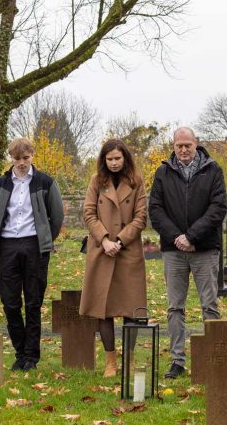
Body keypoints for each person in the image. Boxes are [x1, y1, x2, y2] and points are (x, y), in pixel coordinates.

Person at [149, 126, 227, 379]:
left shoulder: (213, 170)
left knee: (209, 305)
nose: (183, 150)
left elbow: (218, 208)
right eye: (178, 145)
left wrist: (192, 236)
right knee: (174, 307)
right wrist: (177, 238)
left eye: (187, 145)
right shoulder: (163, 172)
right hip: (174, 250)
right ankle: (177, 360)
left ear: (196, 144)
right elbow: (156, 209)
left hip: (204, 248)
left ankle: (214, 357)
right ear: (173, 146)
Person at [0, 138, 64, 372]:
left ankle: (31, 356)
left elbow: (57, 215)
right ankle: (20, 351)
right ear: (10, 158)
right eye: (17, 158)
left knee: (33, 302)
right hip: (7, 246)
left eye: (25, 158)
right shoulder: (1, 184)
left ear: (32, 156)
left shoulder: (45, 182)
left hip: (35, 247)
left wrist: (45, 239)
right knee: (10, 303)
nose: (21, 163)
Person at [80, 139, 148, 377]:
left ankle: (128, 360)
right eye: (110, 159)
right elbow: (88, 213)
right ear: (103, 160)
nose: (114, 163)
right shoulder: (96, 181)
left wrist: (120, 240)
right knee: (104, 308)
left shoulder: (137, 182)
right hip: (102, 250)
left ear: (125, 158)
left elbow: (141, 217)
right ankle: (111, 361)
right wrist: (105, 239)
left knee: (132, 308)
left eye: (118, 158)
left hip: (127, 251)